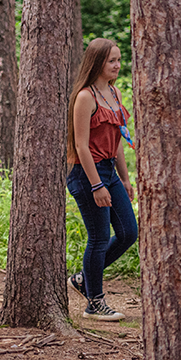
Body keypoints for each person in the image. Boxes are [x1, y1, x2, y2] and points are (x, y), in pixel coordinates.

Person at [66, 38, 138, 322]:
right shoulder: (85, 97)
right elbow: (82, 146)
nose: (117, 66)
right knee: (98, 238)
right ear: (97, 63)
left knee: (128, 233)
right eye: (112, 61)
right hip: (87, 173)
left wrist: (125, 178)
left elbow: (118, 138)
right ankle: (94, 302)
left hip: (109, 170)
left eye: (119, 60)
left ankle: (85, 279)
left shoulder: (115, 93)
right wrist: (96, 185)